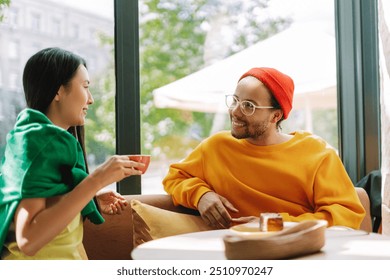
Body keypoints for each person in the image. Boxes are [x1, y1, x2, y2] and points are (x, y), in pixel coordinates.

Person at [163, 67, 366, 230]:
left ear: (275, 116)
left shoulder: (317, 153)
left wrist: (272, 224)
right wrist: (201, 195)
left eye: (248, 106)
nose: (235, 111)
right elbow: (175, 177)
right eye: (235, 101)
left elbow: (346, 214)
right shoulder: (215, 147)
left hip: (298, 253)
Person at [0, 47, 145, 259]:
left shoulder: (45, 143)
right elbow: (28, 240)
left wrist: (90, 196)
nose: (90, 99)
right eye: (85, 86)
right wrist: (97, 180)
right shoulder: (35, 144)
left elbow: (39, 193)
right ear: (58, 91)